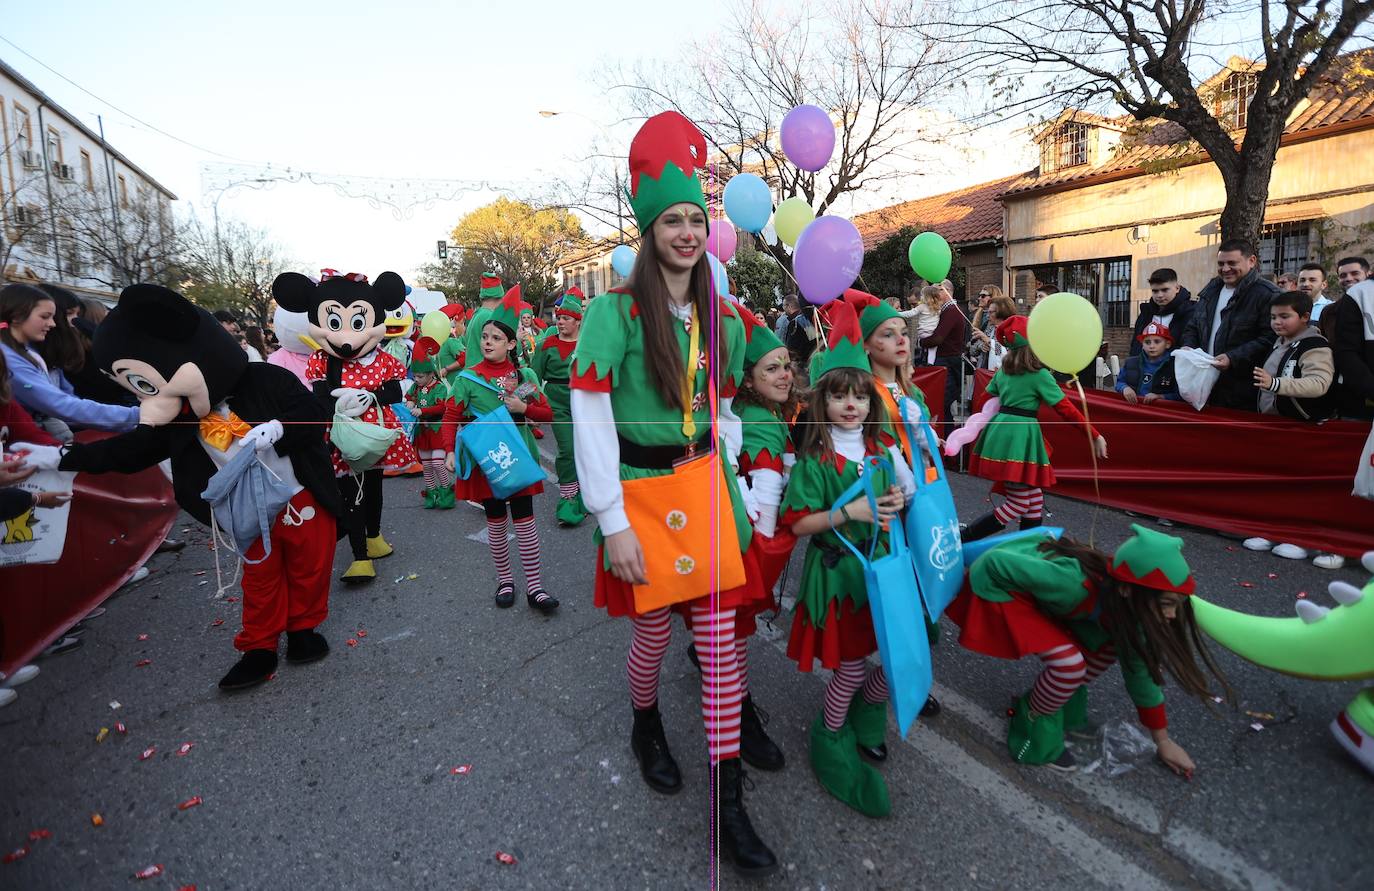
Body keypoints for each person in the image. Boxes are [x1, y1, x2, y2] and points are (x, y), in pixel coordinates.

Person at [568, 110, 777, 877]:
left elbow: (727, 409)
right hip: (642, 495)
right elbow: (590, 417)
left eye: (696, 219)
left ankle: (729, 803)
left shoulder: (726, 318)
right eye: (672, 221)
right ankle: (645, 720)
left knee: (720, 645)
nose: (687, 232)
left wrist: (746, 484)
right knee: (654, 635)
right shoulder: (613, 313)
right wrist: (610, 519)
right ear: (650, 229)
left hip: (707, 488)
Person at [32, 283, 341, 691]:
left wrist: (279, 428)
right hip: (244, 507)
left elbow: (313, 411)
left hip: (302, 493)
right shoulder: (179, 415)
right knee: (260, 577)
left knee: (310, 565)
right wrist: (62, 457)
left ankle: (303, 628)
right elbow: (132, 450)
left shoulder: (265, 378)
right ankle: (260, 646)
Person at [946, 525, 1229, 773]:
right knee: (1068, 665)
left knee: (1106, 648)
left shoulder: (1135, 614)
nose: (1171, 616)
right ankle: (1032, 721)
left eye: (1176, 606)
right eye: (1166, 604)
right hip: (1001, 586)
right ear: (1126, 590)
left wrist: (1163, 741)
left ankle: (1053, 700)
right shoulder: (1071, 583)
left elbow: (1140, 675)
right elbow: (996, 563)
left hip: (1051, 597)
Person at [782, 300, 916, 817]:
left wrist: (898, 498)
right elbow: (799, 523)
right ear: (823, 400)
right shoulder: (815, 459)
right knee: (853, 666)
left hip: (882, 570)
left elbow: (905, 493)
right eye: (839, 396)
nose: (851, 405)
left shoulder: (881, 449)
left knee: (897, 655)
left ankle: (867, 713)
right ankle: (831, 730)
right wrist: (849, 512)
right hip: (838, 574)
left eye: (860, 395)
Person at [273, 268, 417, 584]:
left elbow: (396, 391)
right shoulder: (323, 360)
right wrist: (339, 405)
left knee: (375, 488)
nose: (347, 339)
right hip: (343, 436)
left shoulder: (382, 359)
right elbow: (320, 396)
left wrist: (371, 396)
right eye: (335, 323)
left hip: (377, 433)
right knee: (353, 494)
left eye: (358, 323)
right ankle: (360, 555)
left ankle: (374, 537)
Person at [442, 285, 558, 612]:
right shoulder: (468, 378)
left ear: (510, 344)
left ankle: (535, 587)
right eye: (484, 337)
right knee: (496, 523)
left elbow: (548, 414)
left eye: (496, 338)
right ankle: (505, 581)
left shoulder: (523, 375)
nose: (487, 342)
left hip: (517, 459)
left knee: (525, 522)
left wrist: (524, 408)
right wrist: (449, 450)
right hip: (486, 461)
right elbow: (450, 416)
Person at [719, 307, 796, 772]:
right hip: (746, 540)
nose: (785, 374)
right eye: (772, 368)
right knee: (736, 629)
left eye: (787, 364)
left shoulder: (762, 410)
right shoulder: (760, 420)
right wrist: (765, 555)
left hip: (737, 533)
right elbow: (765, 498)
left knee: (725, 628)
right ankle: (741, 716)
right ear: (747, 379)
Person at [963, 316, 1107, 541]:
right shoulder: (1040, 375)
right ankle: (964, 538)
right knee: (1019, 503)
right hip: (1020, 437)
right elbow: (1066, 410)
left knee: (1035, 499)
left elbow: (984, 401)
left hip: (1002, 433)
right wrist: (1095, 435)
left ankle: (1026, 547)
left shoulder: (1003, 372)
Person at [1242, 290, 1341, 569]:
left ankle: (1298, 539)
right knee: (1273, 483)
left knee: (1299, 487)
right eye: (1273, 317)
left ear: (1305, 317)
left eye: (1285, 316)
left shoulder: (1316, 345)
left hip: (1303, 428)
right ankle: (1271, 530)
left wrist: (1275, 384)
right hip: (1276, 426)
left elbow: (1319, 383)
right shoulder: (1280, 341)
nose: (1277, 322)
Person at [0, 284, 140, 441]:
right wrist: (135, 415)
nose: (52, 323)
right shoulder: (9, 358)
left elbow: (67, 398)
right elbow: (61, 405)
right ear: (17, 317)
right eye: (45, 317)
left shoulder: (29, 352)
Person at [1180, 239, 1282, 411]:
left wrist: (1232, 358)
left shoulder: (1268, 294)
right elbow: (1193, 326)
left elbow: (1270, 338)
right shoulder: (1210, 290)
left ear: (1252, 261)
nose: (1225, 269)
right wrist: (1188, 347)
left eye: (1232, 263)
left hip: (1243, 389)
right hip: (1204, 383)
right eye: (1221, 264)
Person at [529, 287, 586, 526]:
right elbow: (532, 377)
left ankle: (585, 496)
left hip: (585, 403)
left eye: (565, 318)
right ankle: (568, 499)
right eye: (558, 317)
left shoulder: (588, 344)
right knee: (567, 450)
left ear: (578, 321)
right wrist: (523, 404)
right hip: (558, 404)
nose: (560, 322)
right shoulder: (546, 345)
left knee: (586, 452)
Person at [403, 337, 454, 509]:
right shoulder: (416, 387)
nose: (416, 379)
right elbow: (409, 396)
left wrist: (422, 411)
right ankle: (432, 494)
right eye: (415, 376)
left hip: (437, 429)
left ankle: (447, 492)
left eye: (420, 376)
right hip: (422, 431)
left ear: (431, 374)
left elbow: (442, 407)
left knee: (438, 463)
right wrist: (409, 402)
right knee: (426, 465)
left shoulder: (439, 387)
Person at [1320, 260, 1374, 422]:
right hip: (1351, 394)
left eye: (1355, 273)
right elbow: (1339, 350)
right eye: (1343, 275)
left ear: (1367, 273)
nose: (1348, 278)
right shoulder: (1329, 311)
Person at [918, 282, 969, 438]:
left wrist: (921, 342)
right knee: (943, 407)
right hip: (946, 362)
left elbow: (938, 338)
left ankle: (946, 440)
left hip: (948, 363)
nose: (934, 293)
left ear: (947, 291)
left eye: (938, 289)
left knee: (942, 405)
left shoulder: (951, 311)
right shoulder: (945, 310)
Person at [1130, 269, 1196, 358]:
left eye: (1164, 290)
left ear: (1177, 288)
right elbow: (1136, 345)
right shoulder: (1146, 313)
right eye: (1155, 291)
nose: (1159, 295)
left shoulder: (1191, 312)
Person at [1116, 322, 1181, 404]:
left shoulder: (1175, 366)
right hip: (1133, 407)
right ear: (1142, 344)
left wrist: (1161, 397)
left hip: (1159, 409)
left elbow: (1181, 394)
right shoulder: (1131, 363)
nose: (1151, 346)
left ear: (1167, 344)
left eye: (1157, 342)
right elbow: (1119, 382)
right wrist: (1124, 388)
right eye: (1147, 342)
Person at [778, 293, 817, 379]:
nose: (784, 310)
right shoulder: (806, 319)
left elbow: (791, 347)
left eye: (784, 306)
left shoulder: (795, 322)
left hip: (800, 365)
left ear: (789, 306)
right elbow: (813, 339)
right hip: (810, 362)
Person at [436, 303, 470, 378]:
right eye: (462, 323)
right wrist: (446, 369)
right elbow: (465, 358)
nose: (464, 327)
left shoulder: (456, 339)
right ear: (454, 323)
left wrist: (446, 369)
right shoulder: (450, 340)